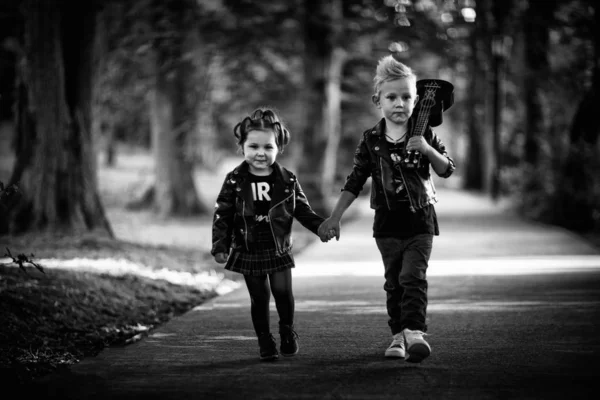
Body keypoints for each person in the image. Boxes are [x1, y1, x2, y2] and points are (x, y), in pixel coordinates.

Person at [318, 55, 456, 363]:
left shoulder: (425, 134)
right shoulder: (371, 141)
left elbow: (447, 169)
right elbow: (354, 181)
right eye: (391, 97)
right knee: (394, 283)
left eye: (406, 97)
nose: (399, 103)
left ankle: (415, 333)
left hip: (421, 220)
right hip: (387, 225)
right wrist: (335, 217)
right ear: (377, 100)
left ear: (416, 100)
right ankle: (398, 336)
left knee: (413, 278)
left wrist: (427, 148)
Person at [211, 107, 325, 361]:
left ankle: (287, 331)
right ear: (242, 147)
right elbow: (223, 214)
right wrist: (220, 245)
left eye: (268, 147)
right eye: (253, 147)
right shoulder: (234, 180)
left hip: (278, 245)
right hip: (247, 246)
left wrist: (321, 227)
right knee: (259, 297)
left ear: (278, 148)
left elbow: (303, 211)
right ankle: (264, 340)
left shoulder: (287, 180)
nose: (260, 153)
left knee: (283, 292)